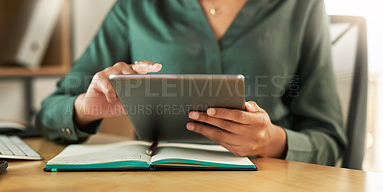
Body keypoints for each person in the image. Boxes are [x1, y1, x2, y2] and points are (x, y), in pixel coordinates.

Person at [36, 0, 346, 166]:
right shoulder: (136, 6)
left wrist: (270, 141)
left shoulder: (302, 6)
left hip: (268, 180)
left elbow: (329, 142)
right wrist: (86, 107)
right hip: (157, 180)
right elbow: (50, 113)